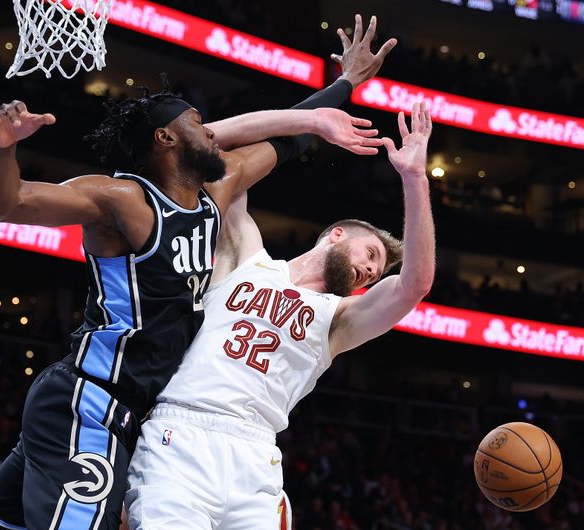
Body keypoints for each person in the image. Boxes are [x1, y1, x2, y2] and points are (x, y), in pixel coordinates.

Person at [0, 14, 390, 530]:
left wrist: (343, 88)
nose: (208, 127)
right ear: (166, 138)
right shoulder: (122, 200)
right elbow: (8, 204)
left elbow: (284, 140)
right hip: (92, 400)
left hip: (133, 411)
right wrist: (2, 148)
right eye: (194, 122)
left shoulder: (213, 196)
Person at [125, 101, 435, 529]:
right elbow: (207, 147)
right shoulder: (245, 256)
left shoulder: (338, 318)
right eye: (371, 254)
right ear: (336, 235)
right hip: (181, 433)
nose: (369, 270)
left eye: (375, 272)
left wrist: (415, 178)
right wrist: (310, 119)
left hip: (255, 454)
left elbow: (414, 285)